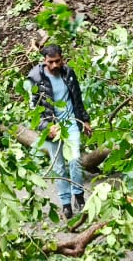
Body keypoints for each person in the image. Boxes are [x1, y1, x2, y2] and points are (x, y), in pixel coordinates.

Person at [26, 44, 92, 220]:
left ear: (62, 58)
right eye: (51, 62)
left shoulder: (68, 73)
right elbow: (33, 110)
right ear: (44, 61)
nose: (55, 65)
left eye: (58, 61)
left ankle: (78, 196)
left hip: (70, 123)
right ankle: (65, 204)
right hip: (51, 127)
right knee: (59, 167)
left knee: (75, 159)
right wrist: (46, 128)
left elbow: (77, 98)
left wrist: (85, 119)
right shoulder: (34, 78)